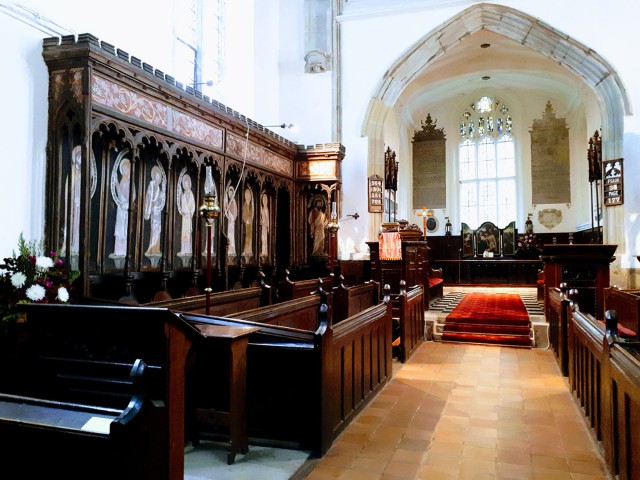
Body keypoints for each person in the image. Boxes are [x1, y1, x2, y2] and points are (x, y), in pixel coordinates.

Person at [112, 155, 135, 258]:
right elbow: (119, 192)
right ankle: (118, 251)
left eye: (127, 169)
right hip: (121, 208)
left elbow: (133, 194)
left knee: (125, 229)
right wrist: (116, 181)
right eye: (124, 169)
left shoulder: (131, 182)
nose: (125, 171)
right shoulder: (122, 181)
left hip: (126, 208)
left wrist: (128, 203)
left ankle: (124, 251)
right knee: (120, 229)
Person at [144, 165, 165, 256]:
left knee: (157, 229)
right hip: (152, 210)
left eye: (158, 176)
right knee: (153, 229)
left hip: (158, 212)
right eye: (156, 175)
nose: (157, 177)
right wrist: (152, 203)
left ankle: (156, 248)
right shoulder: (152, 185)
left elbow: (160, 199)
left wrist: (162, 193)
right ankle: (152, 248)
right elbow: (149, 197)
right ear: (154, 176)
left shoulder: (159, 187)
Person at [177, 171, 196, 256]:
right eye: (184, 184)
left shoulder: (191, 194)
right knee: (184, 233)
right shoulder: (182, 195)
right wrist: (183, 211)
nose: (185, 185)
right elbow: (181, 206)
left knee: (188, 233)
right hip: (184, 217)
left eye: (186, 184)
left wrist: (190, 212)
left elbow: (193, 206)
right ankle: (183, 249)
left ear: (189, 184)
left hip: (189, 217)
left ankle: (188, 249)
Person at [225, 185, 238, 257]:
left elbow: (235, 212)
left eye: (231, 194)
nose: (230, 195)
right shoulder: (229, 201)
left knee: (231, 236)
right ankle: (229, 249)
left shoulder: (234, 202)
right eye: (229, 194)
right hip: (229, 222)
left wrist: (231, 216)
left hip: (232, 222)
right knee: (229, 235)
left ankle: (232, 250)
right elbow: (227, 210)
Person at [242, 187, 254, 257]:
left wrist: (250, 219)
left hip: (250, 223)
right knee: (247, 237)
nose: (248, 197)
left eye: (249, 196)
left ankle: (249, 249)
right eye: (247, 195)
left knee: (250, 237)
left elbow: (252, 214)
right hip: (246, 224)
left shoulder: (250, 206)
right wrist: (246, 220)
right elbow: (244, 215)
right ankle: (246, 250)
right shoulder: (244, 205)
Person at [260, 192, 270, 258]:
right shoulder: (263, 208)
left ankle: (264, 252)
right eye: (263, 200)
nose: (264, 201)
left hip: (265, 227)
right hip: (263, 226)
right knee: (262, 238)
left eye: (265, 200)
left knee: (264, 239)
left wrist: (266, 225)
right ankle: (263, 251)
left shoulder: (266, 209)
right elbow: (262, 217)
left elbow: (267, 219)